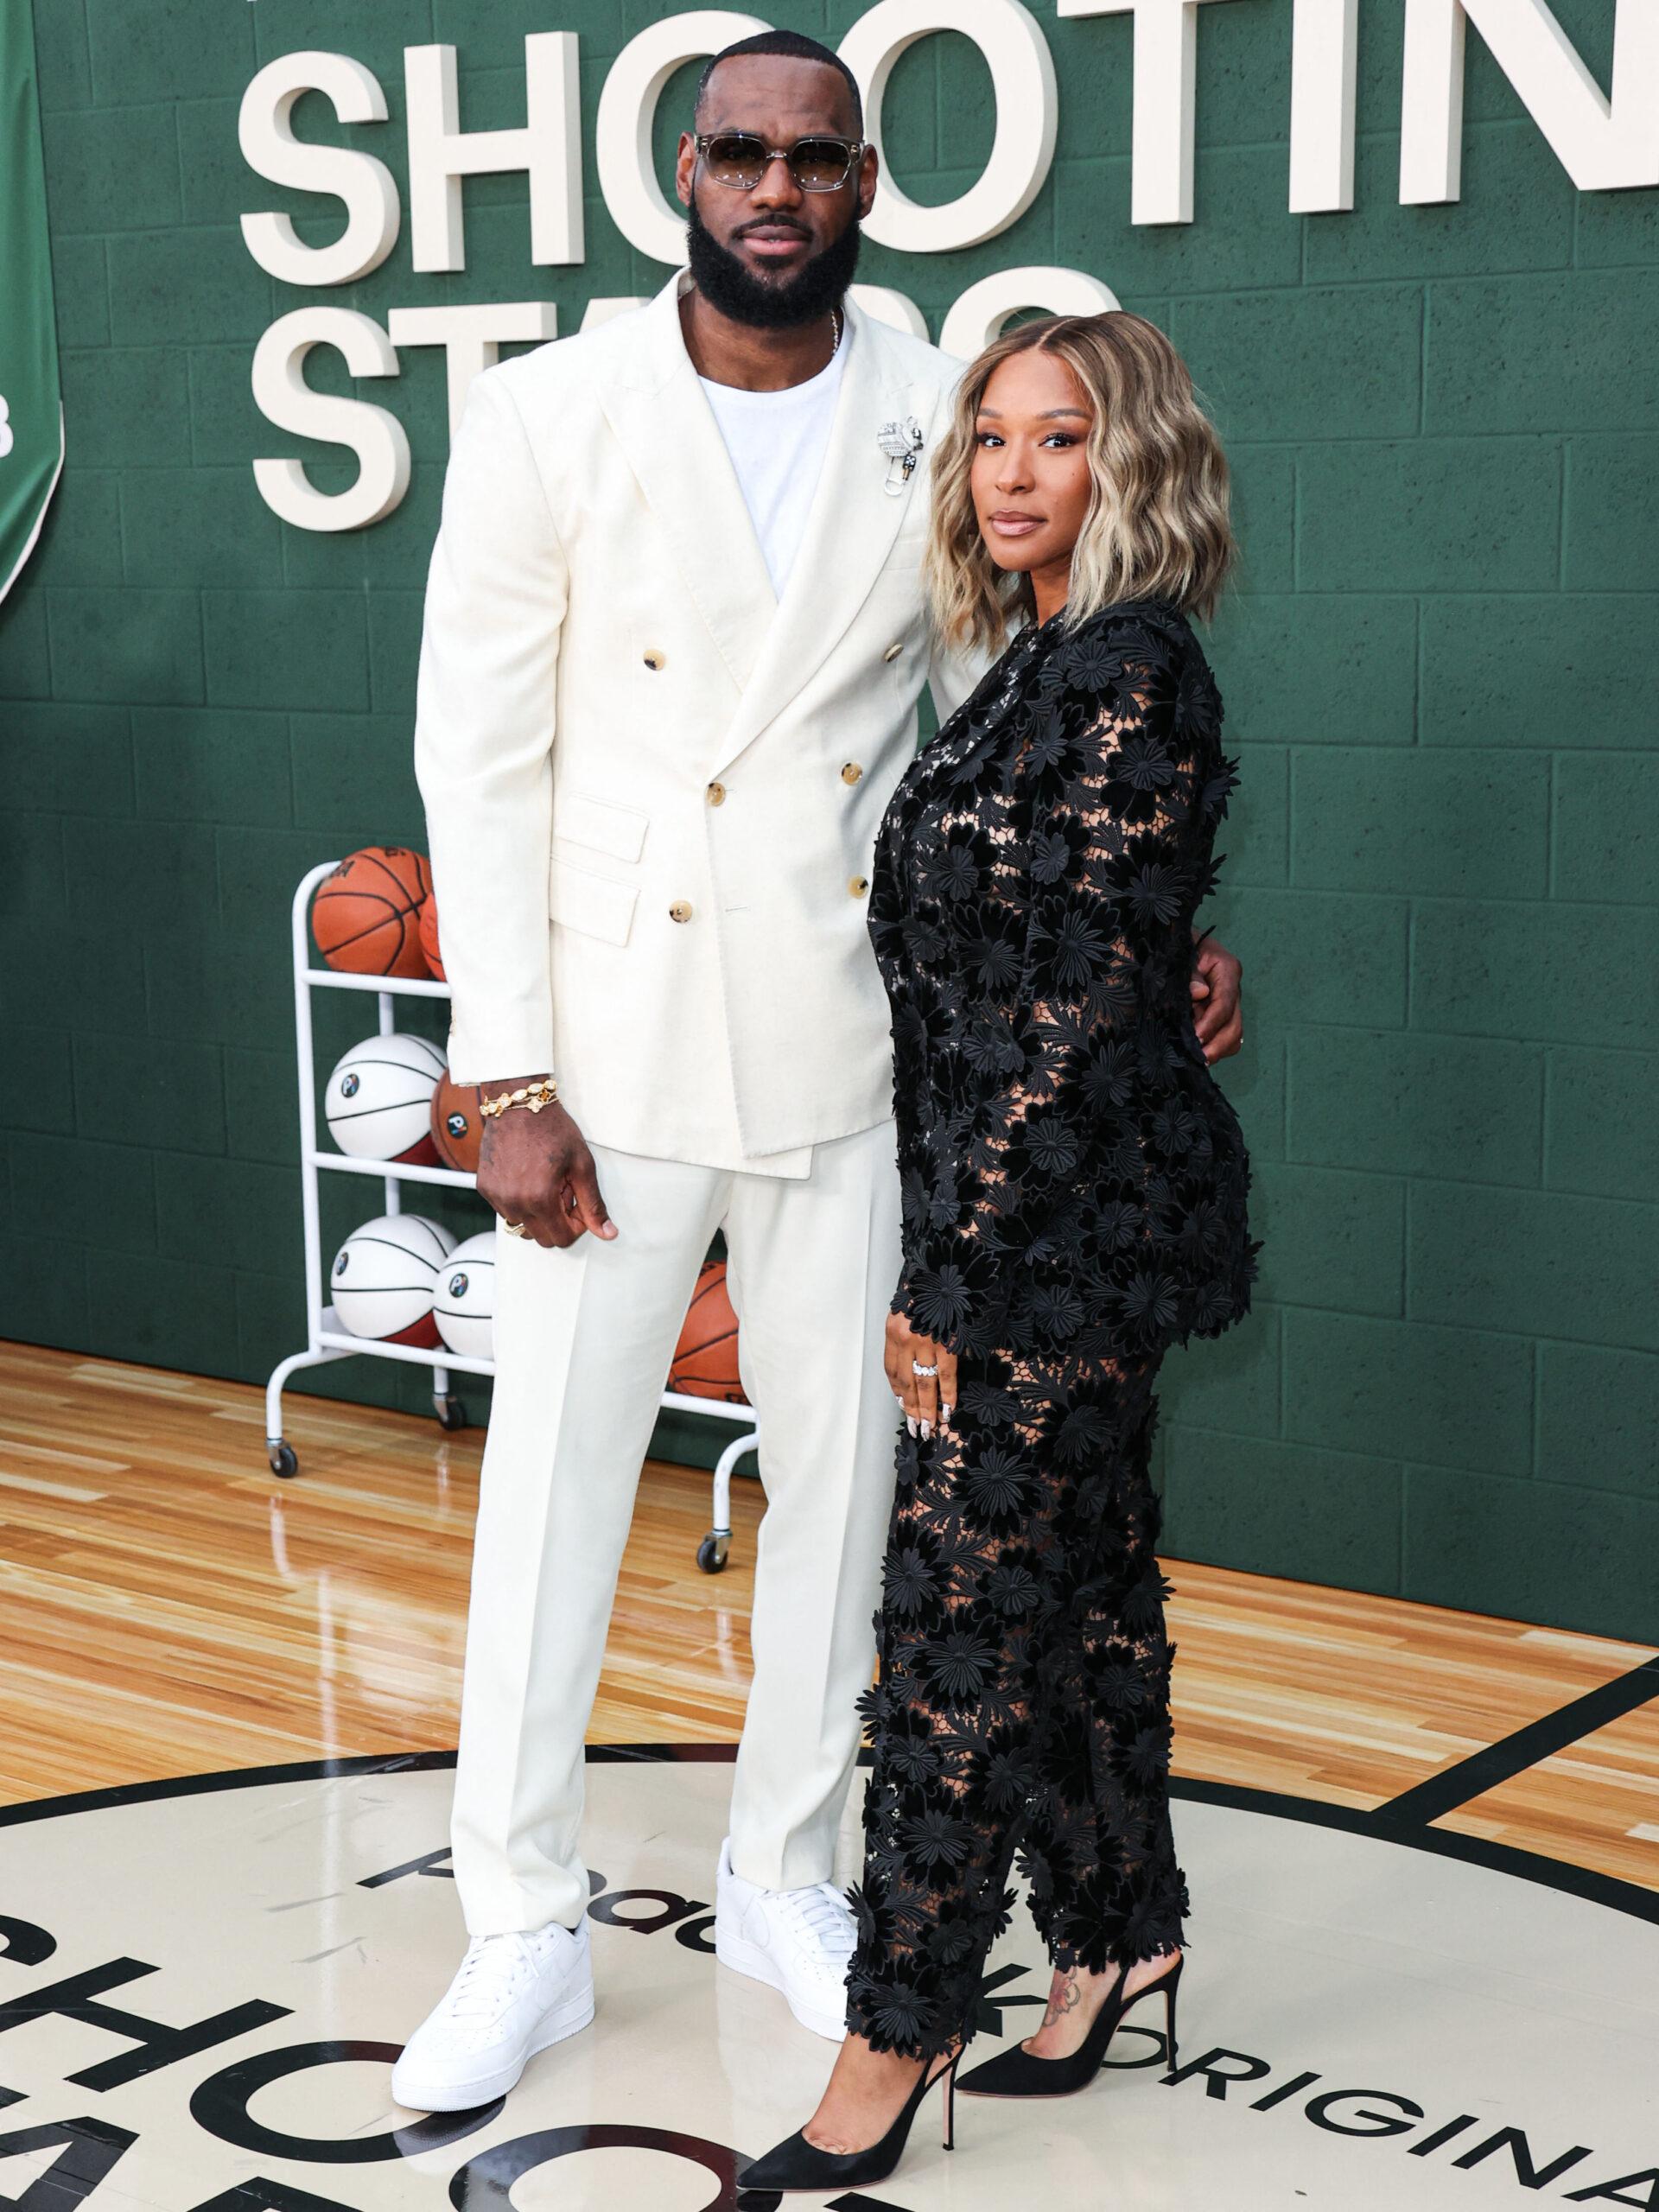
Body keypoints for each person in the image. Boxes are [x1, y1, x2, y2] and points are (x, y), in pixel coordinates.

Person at [397, 29, 1244, 2114]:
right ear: (683, 175)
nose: (777, 186)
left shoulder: (926, 412)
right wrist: (499, 1066)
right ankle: (520, 1920)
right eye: (740, 153)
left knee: (847, 1497)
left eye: (818, 158)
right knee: (551, 1509)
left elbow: (1002, 719)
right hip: (601, 1055)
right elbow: (474, 757)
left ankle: (788, 1865)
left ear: (866, 185)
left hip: (866, 1054)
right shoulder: (544, 413)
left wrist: (1144, 940)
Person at [742, 312, 1258, 2195]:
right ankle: (1120, 1924)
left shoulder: (1129, 670)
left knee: (957, 1631)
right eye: (991, 440)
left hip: (1053, 1237)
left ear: (1137, 463)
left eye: (1063, 437)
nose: (1019, 472)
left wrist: (945, 1277)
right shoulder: (1037, 663)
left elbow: (1071, 1017)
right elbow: (1091, 951)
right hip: (1039, 1207)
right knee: (1090, 1594)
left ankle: (898, 2028)